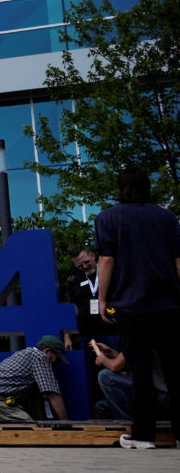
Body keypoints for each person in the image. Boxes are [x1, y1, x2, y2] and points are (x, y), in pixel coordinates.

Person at [95, 167, 180, 449]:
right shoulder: (168, 218)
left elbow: (106, 261)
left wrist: (103, 301)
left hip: (131, 305)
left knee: (140, 370)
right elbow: (179, 262)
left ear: (120, 189)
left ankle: (144, 436)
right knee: (174, 368)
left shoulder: (108, 218)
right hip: (168, 304)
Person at [0, 335, 69, 422]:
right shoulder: (40, 357)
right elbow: (53, 394)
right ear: (47, 351)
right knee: (26, 425)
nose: (56, 363)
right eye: (57, 358)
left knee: (29, 423)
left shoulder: (25, 354)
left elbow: (33, 399)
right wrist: (66, 423)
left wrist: (40, 424)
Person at [65, 245, 118, 412]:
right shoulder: (76, 282)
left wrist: (114, 315)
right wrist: (67, 336)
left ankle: (118, 408)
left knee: (115, 370)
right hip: (88, 336)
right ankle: (98, 410)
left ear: (93, 256)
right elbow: (70, 310)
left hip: (112, 333)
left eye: (86, 262)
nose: (84, 267)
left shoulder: (111, 275)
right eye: (79, 265)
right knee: (91, 376)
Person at [90, 341, 169, 421]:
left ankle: (128, 427)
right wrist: (110, 352)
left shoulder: (136, 333)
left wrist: (103, 359)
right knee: (101, 407)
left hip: (162, 397)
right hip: (152, 394)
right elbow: (130, 361)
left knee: (105, 376)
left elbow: (115, 366)